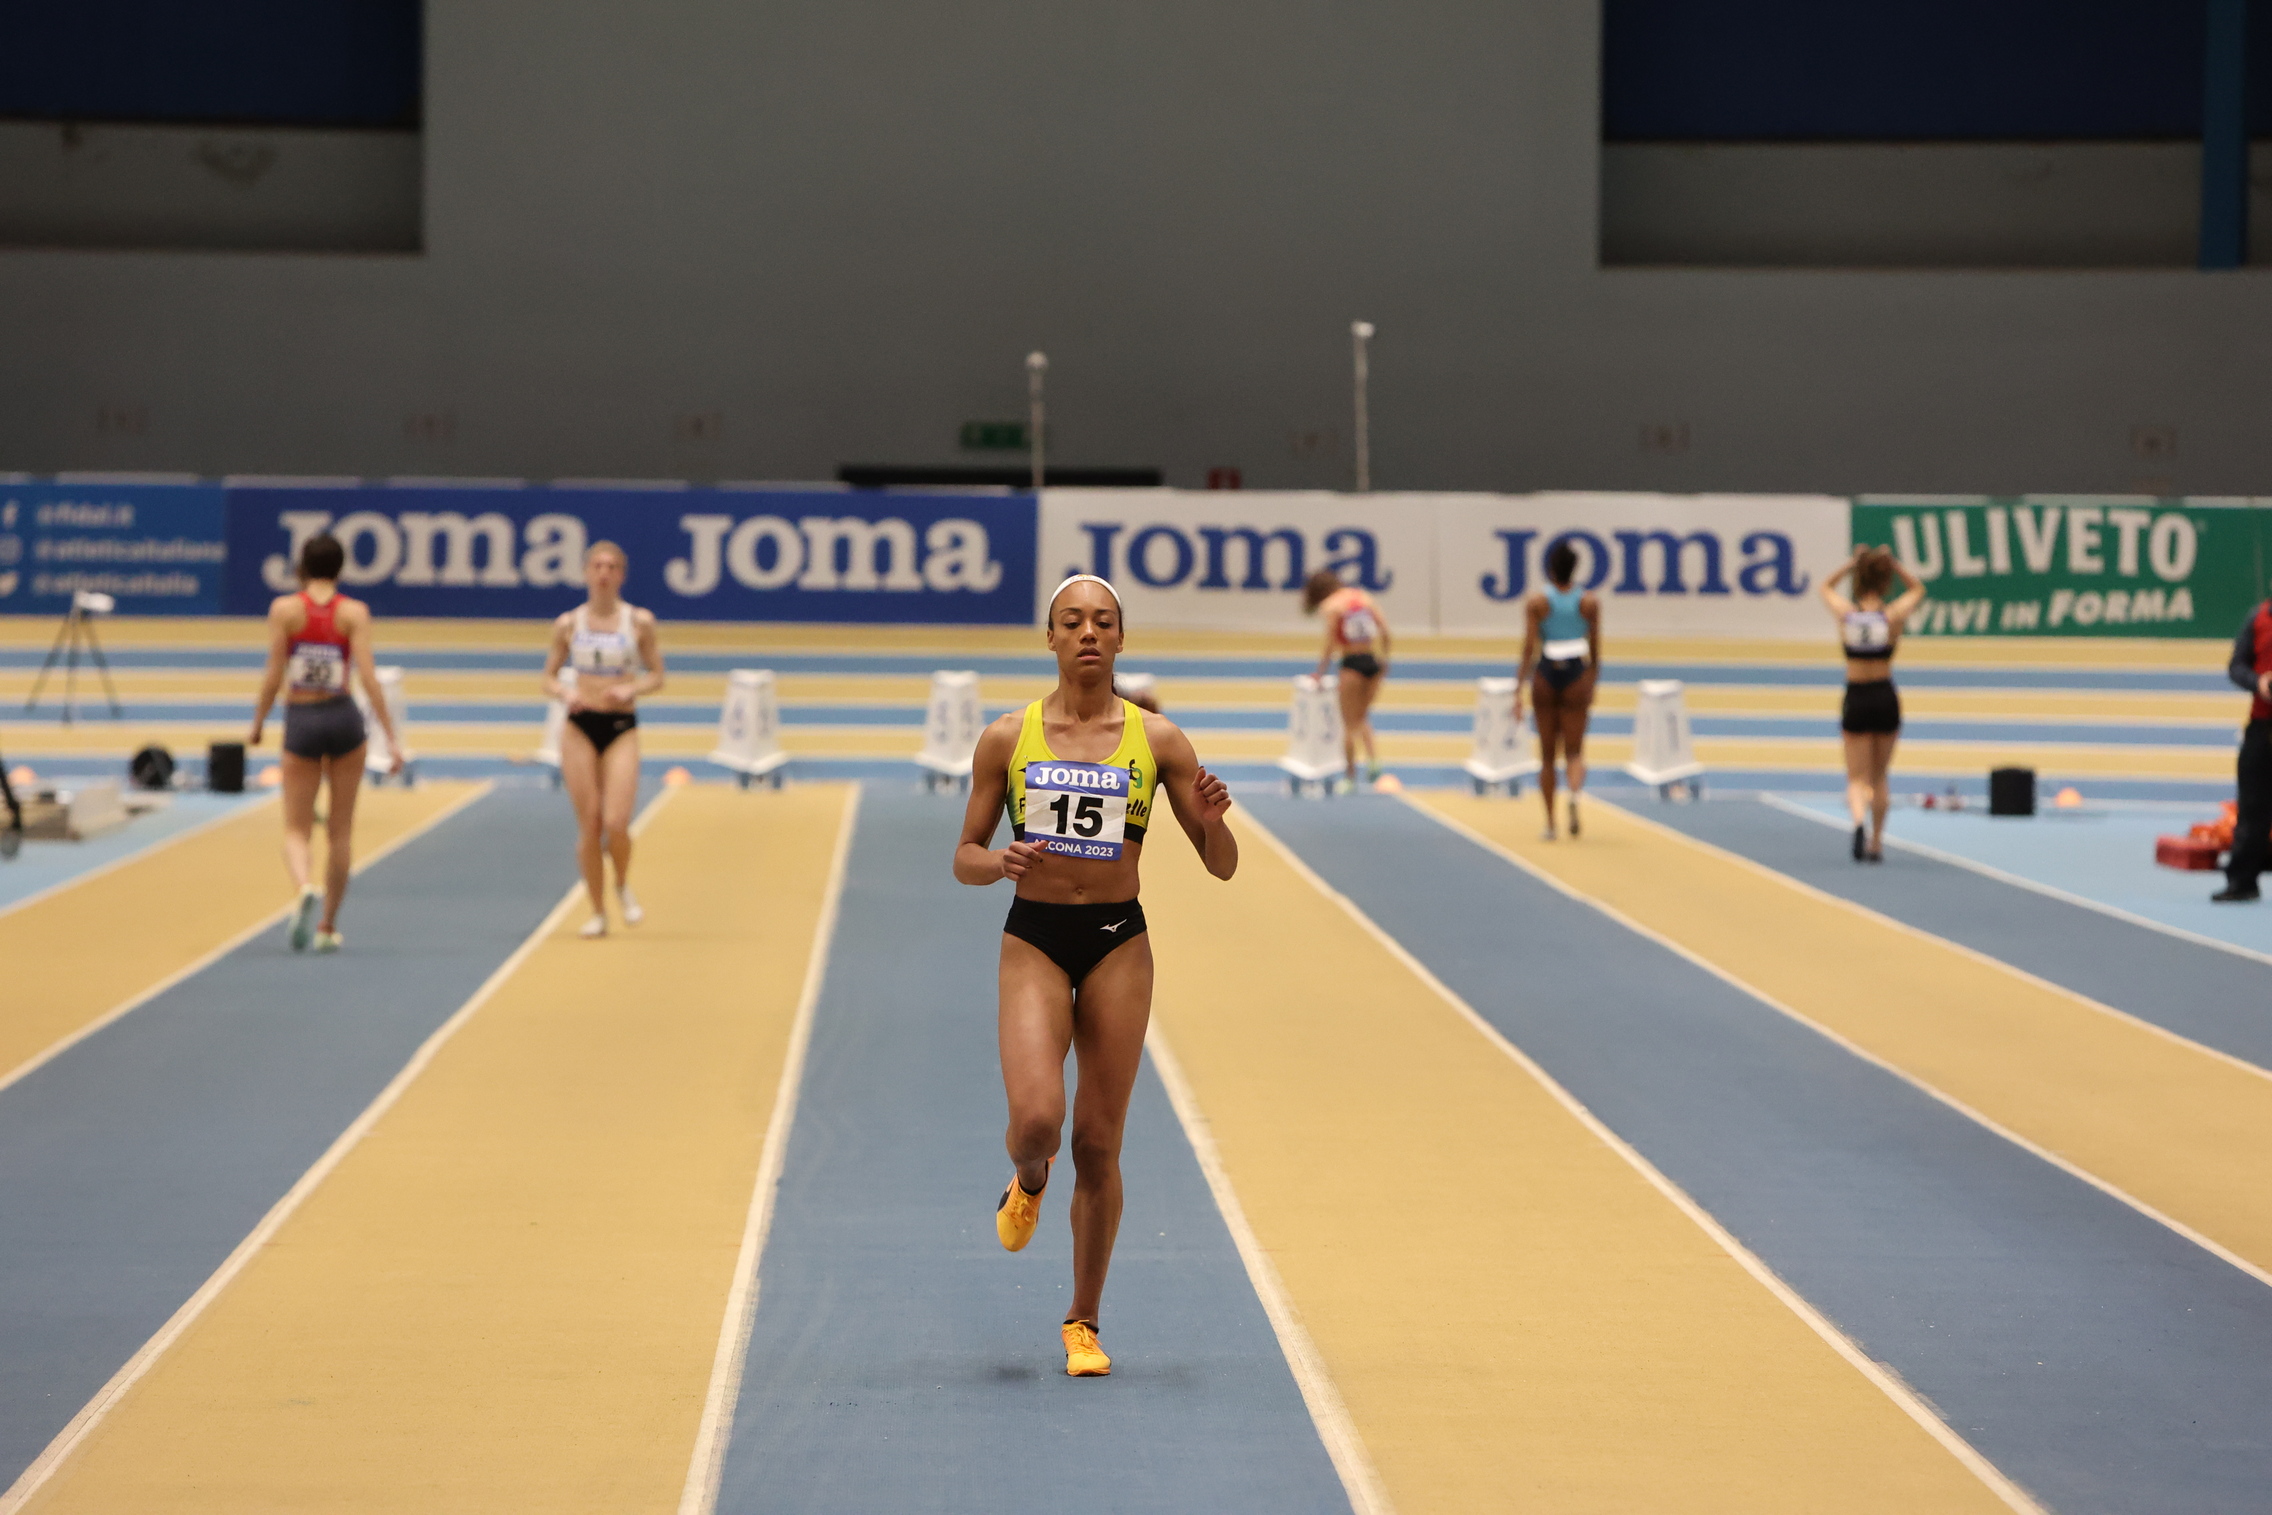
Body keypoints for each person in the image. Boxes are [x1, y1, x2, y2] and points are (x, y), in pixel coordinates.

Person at [954, 575, 1237, 1378]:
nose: (1088, 632)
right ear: (1050, 637)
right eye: (1072, 621)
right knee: (1039, 1124)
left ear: (1120, 638)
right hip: (1036, 937)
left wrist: (1214, 824)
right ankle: (1027, 1178)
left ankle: (1083, 1320)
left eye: (1102, 621)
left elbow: (1221, 865)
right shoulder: (1006, 738)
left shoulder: (1161, 741)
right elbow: (964, 855)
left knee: (1098, 1142)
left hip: (1118, 941)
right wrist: (998, 861)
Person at [248, 533, 402, 953]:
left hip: (302, 720)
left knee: (296, 829)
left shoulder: (285, 610)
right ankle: (328, 926)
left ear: (301, 568)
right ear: (340, 569)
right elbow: (368, 677)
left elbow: (274, 673)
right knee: (341, 831)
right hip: (344, 719)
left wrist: (258, 722)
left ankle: (303, 887)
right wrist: (391, 738)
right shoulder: (354, 613)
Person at [541, 541, 665, 938]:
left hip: (620, 727)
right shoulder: (568, 624)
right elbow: (547, 677)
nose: (604, 573)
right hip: (580, 727)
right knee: (591, 825)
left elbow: (657, 675)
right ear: (586, 573)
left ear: (622, 575)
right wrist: (565, 693)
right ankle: (597, 912)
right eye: (597, 566)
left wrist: (632, 689)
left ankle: (622, 884)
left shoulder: (639, 622)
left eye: (611, 567)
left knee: (616, 822)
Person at [1821, 544, 1925, 862]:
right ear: (1884, 581)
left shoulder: (1846, 614)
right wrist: (1894, 564)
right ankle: (1877, 843)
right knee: (1880, 777)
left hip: (1856, 695)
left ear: (1858, 580)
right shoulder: (1892, 615)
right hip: (1884, 695)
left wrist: (1851, 564)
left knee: (1856, 778)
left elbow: (1825, 587)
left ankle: (1857, 823)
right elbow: (1918, 589)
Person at [1515, 540, 1601, 840]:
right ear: (1575, 569)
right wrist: (1592, 681)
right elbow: (1595, 648)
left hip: (1547, 673)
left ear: (1550, 569)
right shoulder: (1588, 603)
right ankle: (1574, 795)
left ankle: (1551, 824)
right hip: (1576, 672)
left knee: (1548, 755)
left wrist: (1517, 689)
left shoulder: (1538, 603)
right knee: (1575, 750)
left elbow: (1528, 648)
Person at [1302, 569, 1391, 792]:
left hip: (1351, 664)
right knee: (1361, 717)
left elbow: (1331, 641)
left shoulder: (1331, 606)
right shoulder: (1364, 597)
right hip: (1372, 661)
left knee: (1349, 724)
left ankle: (1350, 777)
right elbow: (1385, 631)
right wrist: (1385, 660)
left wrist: (1320, 672)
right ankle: (1374, 762)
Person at [2216, 593, 2272, 901]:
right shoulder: (2258, 618)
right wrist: (2258, 683)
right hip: (2262, 727)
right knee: (2252, 807)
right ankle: (2242, 881)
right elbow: (2236, 667)